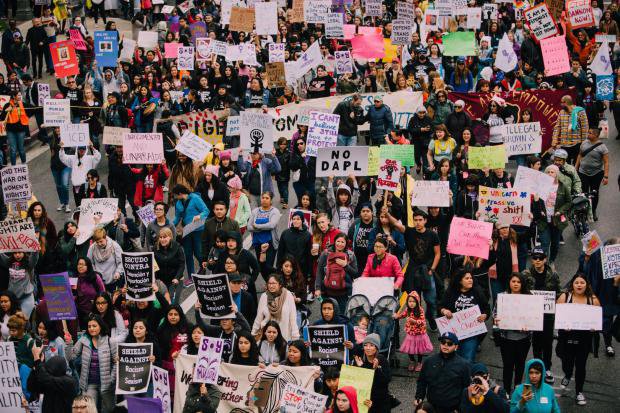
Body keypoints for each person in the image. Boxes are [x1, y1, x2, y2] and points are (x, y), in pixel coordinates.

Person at [556, 272, 601, 405]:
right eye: (577, 283)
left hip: (584, 339)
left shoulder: (593, 300)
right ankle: (568, 374)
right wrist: (563, 325)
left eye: (582, 283)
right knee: (566, 363)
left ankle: (579, 392)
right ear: (572, 284)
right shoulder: (564, 297)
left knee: (581, 365)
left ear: (587, 285)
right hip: (566, 337)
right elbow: (557, 316)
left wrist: (594, 327)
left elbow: (597, 320)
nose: (579, 285)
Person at [523, 248, 561, 383]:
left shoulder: (553, 274)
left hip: (548, 314)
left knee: (548, 341)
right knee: (537, 341)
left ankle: (548, 367)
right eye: (534, 258)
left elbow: (558, 292)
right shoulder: (526, 274)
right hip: (533, 314)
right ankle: (538, 367)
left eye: (540, 258)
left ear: (545, 259)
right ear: (532, 259)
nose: (537, 260)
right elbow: (520, 292)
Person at [439, 269, 490, 362]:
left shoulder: (477, 291)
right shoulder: (451, 292)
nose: (470, 280)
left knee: (468, 359)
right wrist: (444, 311)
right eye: (467, 278)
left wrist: (485, 315)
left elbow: (486, 308)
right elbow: (440, 306)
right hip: (453, 332)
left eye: (471, 278)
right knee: (451, 358)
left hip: (471, 333)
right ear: (460, 281)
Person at [494, 273, 533, 393]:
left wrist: (529, 326)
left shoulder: (530, 297)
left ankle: (517, 389)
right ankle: (506, 391)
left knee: (520, 365)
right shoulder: (502, 296)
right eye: (513, 281)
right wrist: (496, 319)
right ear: (509, 283)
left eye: (518, 282)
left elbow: (534, 317)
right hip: (506, 338)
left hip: (523, 339)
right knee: (508, 365)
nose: (516, 284)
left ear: (522, 284)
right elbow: (495, 313)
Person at [70, 314, 117, 413]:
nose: (91, 328)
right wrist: (68, 344)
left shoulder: (110, 341)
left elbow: (117, 362)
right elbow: (71, 357)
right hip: (89, 384)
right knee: (89, 410)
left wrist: (111, 379)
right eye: (89, 326)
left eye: (94, 326)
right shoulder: (84, 340)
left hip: (107, 385)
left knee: (108, 410)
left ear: (100, 326)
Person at [415, 332, 471, 412]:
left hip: (451, 409)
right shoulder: (429, 361)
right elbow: (422, 381)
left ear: (456, 347)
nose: (445, 345)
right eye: (443, 342)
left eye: (449, 343)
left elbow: (466, 388)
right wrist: (419, 397)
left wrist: (460, 408)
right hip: (431, 407)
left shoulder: (463, 365)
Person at [172, 184, 210, 275]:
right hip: (187, 230)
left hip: (198, 229)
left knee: (198, 252)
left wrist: (199, 216)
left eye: (175, 194)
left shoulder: (195, 198)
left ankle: (203, 268)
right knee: (188, 254)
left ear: (180, 193)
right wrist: (169, 226)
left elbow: (206, 211)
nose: (174, 196)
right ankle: (191, 275)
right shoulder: (178, 203)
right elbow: (177, 218)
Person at [315, 233, 358, 310]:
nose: (340, 244)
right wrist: (317, 288)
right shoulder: (325, 254)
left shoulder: (350, 255)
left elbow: (355, 274)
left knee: (342, 318)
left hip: (344, 295)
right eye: (338, 241)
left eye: (342, 242)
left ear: (346, 243)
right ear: (334, 241)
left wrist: (346, 266)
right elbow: (319, 271)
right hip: (327, 293)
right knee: (328, 317)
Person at [252, 273, 299, 342]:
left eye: (274, 283)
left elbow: (293, 318)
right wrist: (253, 334)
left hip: (283, 336)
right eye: (269, 283)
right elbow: (259, 317)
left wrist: (295, 337)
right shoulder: (264, 296)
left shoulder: (288, 295)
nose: (271, 286)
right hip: (268, 336)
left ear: (280, 285)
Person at [575, 127, 609, 220]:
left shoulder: (602, 147)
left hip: (596, 174)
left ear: (596, 135)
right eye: (588, 132)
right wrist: (576, 168)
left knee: (594, 193)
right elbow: (580, 155)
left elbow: (606, 162)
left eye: (590, 133)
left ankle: (593, 211)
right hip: (583, 172)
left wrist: (606, 176)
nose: (588, 134)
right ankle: (584, 212)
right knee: (584, 193)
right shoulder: (584, 143)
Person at [394, 291, 433, 372]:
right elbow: (403, 315)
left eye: (413, 301)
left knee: (419, 349)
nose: (411, 303)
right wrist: (398, 316)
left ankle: (419, 362)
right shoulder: (408, 309)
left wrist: (414, 321)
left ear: (417, 302)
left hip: (419, 333)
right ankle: (412, 361)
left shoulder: (420, 310)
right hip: (411, 332)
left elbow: (422, 321)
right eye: (409, 301)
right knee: (409, 348)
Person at [353, 333, 392, 413]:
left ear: (376, 348)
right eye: (365, 345)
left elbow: (386, 380)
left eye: (371, 345)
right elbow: (355, 381)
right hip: (364, 398)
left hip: (380, 400)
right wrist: (360, 368)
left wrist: (376, 369)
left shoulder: (382, 360)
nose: (368, 348)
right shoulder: (359, 359)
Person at [551, 95, 589, 164]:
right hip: (564, 144)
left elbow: (585, 128)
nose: (561, 104)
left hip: (577, 144)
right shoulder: (561, 112)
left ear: (566, 103)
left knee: (576, 165)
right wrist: (554, 139)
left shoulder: (580, 111)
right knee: (565, 165)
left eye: (562, 103)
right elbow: (557, 127)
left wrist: (583, 144)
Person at [87, 227, 124, 292]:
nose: (99, 244)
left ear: (105, 238)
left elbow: (121, 261)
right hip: (98, 280)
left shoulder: (114, 246)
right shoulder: (92, 248)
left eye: (101, 241)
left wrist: (118, 272)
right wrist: (95, 273)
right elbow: (90, 263)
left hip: (113, 279)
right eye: (97, 242)